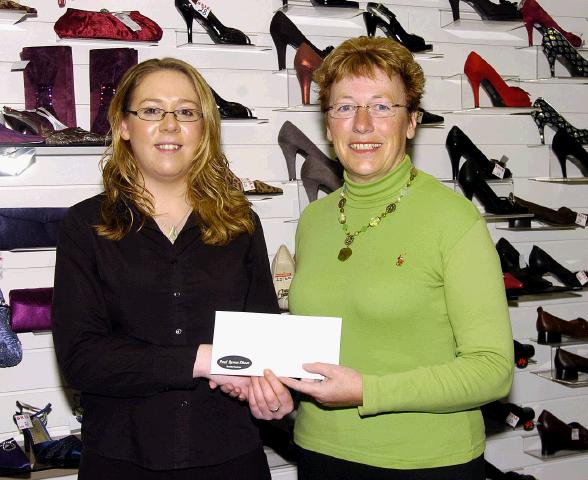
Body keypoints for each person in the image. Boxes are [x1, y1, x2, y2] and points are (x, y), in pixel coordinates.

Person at [281, 36, 514, 480]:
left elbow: (493, 370)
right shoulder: (315, 220)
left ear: (411, 123)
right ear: (328, 126)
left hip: (424, 462)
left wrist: (367, 390)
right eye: (345, 107)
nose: (363, 124)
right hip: (318, 452)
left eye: (383, 107)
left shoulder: (453, 220)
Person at [51, 57, 293, 479]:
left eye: (186, 112)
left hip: (230, 457)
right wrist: (201, 359)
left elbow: (263, 339)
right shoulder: (85, 226)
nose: (169, 125)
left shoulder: (240, 223)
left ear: (204, 129)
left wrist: (271, 392)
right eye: (151, 110)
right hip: (123, 459)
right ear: (124, 126)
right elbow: (82, 359)